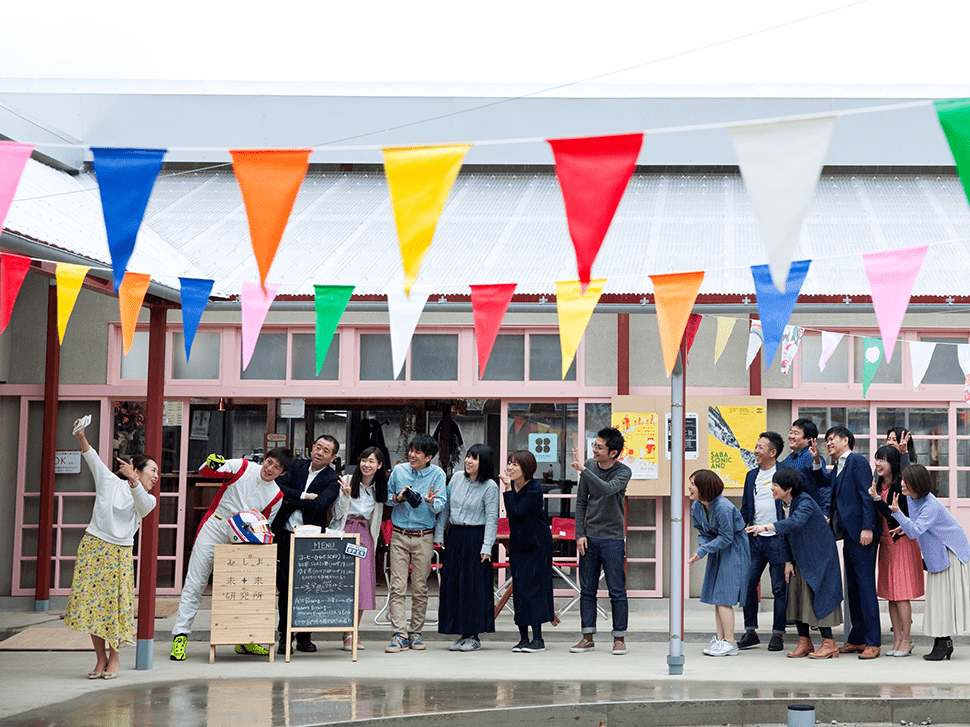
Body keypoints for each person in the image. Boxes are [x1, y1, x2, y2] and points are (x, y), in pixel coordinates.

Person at [170, 448, 290, 661]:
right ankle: (180, 636)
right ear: (265, 459)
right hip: (215, 526)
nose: (269, 468)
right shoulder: (243, 466)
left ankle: (245, 640)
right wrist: (212, 463)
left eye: (277, 467)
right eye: (269, 461)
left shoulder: (276, 495)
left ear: (282, 473)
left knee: (242, 588)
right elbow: (207, 471)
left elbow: (264, 525)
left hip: (244, 539)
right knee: (196, 582)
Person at [64, 419, 157, 679]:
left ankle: (115, 658)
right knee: (92, 605)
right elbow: (91, 457)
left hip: (120, 553)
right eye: (153, 471)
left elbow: (142, 505)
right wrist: (80, 435)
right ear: (137, 470)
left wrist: (134, 483)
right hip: (93, 546)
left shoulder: (148, 497)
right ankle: (100, 658)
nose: (157, 477)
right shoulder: (109, 483)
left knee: (115, 607)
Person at [747, 468, 843, 659]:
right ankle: (804, 642)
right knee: (797, 597)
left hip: (820, 557)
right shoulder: (783, 503)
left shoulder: (805, 501)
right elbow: (785, 533)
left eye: (776, 484)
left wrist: (766, 527)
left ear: (788, 488)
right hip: (799, 557)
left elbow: (795, 523)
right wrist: (788, 561)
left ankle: (829, 643)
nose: (772, 488)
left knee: (819, 596)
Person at [890, 464, 970, 661]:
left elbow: (916, 530)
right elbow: (916, 526)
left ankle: (944, 644)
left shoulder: (930, 505)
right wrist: (904, 525)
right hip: (937, 553)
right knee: (937, 600)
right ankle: (943, 643)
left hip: (950, 552)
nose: (902, 484)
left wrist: (898, 513)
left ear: (916, 484)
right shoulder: (913, 498)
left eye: (906, 481)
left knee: (941, 600)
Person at [272, 435, 341, 655]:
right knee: (285, 588)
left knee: (308, 589)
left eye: (326, 450)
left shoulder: (332, 478)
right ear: (311, 447)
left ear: (333, 457)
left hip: (311, 541)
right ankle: (285, 637)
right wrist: (303, 496)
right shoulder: (297, 466)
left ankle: (304, 636)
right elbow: (279, 489)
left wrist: (292, 500)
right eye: (317, 447)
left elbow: (321, 505)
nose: (319, 452)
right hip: (284, 534)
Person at [568, 427, 632, 656]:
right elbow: (581, 502)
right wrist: (579, 533)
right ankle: (587, 637)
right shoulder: (589, 465)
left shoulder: (623, 472)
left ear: (613, 453)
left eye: (599, 447)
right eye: (594, 445)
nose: (594, 450)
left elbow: (607, 490)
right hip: (589, 537)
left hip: (613, 538)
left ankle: (619, 638)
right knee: (587, 590)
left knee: (617, 590)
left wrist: (584, 470)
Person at [820, 426, 881, 659]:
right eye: (827, 440)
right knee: (853, 587)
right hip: (848, 535)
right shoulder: (838, 466)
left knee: (865, 587)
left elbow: (867, 496)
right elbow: (828, 486)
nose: (828, 443)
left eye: (832, 438)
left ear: (846, 440)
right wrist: (817, 461)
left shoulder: (856, 461)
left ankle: (873, 642)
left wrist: (868, 527)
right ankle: (856, 638)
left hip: (862, 534)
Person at [384, 434, 447, 653]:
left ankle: (416, 632)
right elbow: (387, 497)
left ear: (428, 456)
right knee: (397, 585)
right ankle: (399, 634)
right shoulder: (399, 471)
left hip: (424, 535)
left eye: (418, 452)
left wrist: (430, 502)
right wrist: (398, 498)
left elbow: (441, 506)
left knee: (420, 586)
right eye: (411, 450)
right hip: (399, 534)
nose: (412, 454)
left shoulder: (438, 474)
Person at [435, 444, 500, 652]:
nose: (468, 461)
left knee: (474, 586)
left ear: (485, 463)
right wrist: (439, 534)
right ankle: (461, 633)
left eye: (475, 458)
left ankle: (474, 635)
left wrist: (487, 546)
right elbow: (445, 508)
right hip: (455, 536)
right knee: (454, 583)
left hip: (476, 537)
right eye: (468, 457)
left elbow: (492, 519)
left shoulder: (490, 486)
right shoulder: (455, 479)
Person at [867, 445, 924, 657]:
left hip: (901, 543)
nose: (879, 464)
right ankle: (897, 639)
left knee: (901, 594)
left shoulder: (901, 488)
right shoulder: (877, 485)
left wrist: (876, 500)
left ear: (894, 463)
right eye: (877, 459)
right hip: (885, 543)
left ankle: (907, 640)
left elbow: (894, 517)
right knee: (890, 595)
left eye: (883, 460)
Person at [329, 446, 387, 652]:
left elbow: (375, 518)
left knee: (362, 584)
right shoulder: (346, 480)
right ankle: (344, 631)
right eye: (364, 460)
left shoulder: (379, 488)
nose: (367, 464)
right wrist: (345, 497)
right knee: (343, 582)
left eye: (372, 461)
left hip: (364, 536)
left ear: (379, 466)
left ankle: (353, 633)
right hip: (344, 532)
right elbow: (336, 514)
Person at [687, 469, 749, 657]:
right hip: (717, 547)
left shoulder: (723, 507)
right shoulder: (696, 507)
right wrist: (702, 548)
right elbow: (703, 533)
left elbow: (727, 537)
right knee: (717, 597)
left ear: (704, 488)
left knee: (724, 596)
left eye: (692, 484)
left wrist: (703, 550)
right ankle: (721, 640)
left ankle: (730, 642)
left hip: (734, 548)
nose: (689, 487)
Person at [738, 432, 789, 652]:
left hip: (778, 539)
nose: (756, 451)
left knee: (779, 588)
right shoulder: (751, 476)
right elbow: (746, 508)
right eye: (756, 446)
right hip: (755, 539)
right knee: (748, 584)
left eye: (760, 447)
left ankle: (778, 633)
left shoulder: (784, 474)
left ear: (773, 452)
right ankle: (750, 631)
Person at [501, 450, 555, 653]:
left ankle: (538, 639)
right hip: (519, 543)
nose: (510, 467)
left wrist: (506, 489)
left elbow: (514, 513)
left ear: (526, 468)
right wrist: (509, 489)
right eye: (509, 463)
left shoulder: (533, 489)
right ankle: (523, 638)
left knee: (535, 589)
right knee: (520, 589)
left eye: (515, 464)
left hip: (537, 544)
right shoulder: (514, 487)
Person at [780, 418, 829, 509]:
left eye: (796, 433)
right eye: (791, 432)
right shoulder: (790, 458)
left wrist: (825, 512)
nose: (791, 436)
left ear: (809, 439)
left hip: (810, 511)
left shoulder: (811, 457)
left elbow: (823, 487)